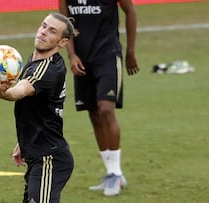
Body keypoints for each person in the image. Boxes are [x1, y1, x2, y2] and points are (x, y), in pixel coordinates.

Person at [0, 13, 75, 203]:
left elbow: (19, 92)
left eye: (52, 31)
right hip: (38, 155)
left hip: (49, 159)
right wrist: (25, 142)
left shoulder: (46, 70)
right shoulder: (35, 61)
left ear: (62, 42)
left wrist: (0, 92)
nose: (43, 32)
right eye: (43, 26)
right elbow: (40, 108)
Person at [59, 0, 139, 196]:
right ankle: (111, 172)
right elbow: (64, 24)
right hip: (82, 59)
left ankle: (116, 174)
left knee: (105, 109)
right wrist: (71, 55)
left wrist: (130, 51)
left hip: (108, 56)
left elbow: (131, 12)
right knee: (94, 113)